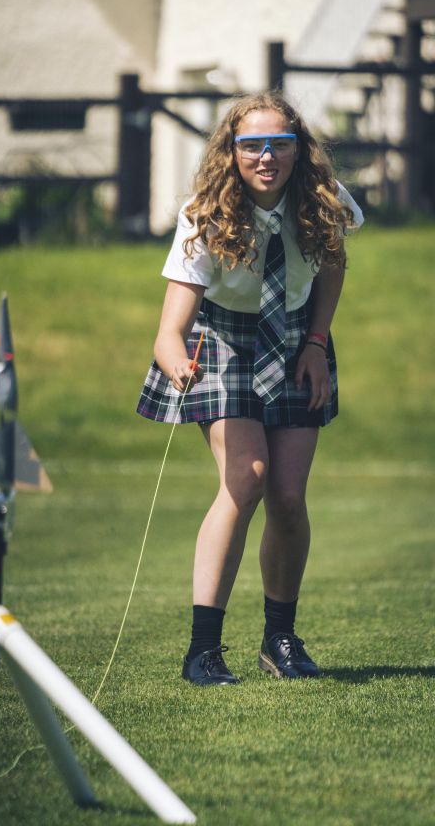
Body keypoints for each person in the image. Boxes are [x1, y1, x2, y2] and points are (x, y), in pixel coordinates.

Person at [137, 92, 364, 684]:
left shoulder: (324, 201)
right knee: (248, 478)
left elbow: (332, 264)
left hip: (295, 340)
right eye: (252, 145)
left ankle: (280, 641)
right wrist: (175, 364)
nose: (267, 156)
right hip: (221, 344)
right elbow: (171, 330)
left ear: (298, 149)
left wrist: (316, 341)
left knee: (288, 494)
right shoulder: (204, 213)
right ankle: (202, 652)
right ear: (231, 152)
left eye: (280, 144)